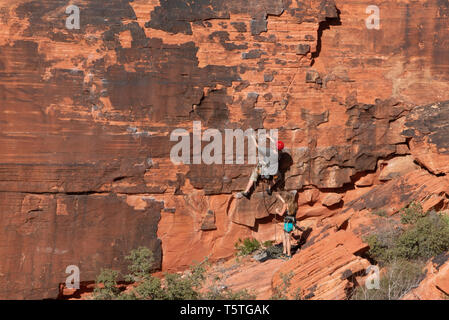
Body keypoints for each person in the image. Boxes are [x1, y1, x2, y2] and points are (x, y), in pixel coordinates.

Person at [237, 132, 285, 199]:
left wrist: (253, 138)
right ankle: (269, 188)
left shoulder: (268, 151)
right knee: (278, 176)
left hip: (263, 169)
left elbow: (257, 146)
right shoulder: (279, 154)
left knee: (254, 175)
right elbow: (276, 145)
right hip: (272, 171)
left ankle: (246, 191)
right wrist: (269, 137)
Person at [275, 192, 299, 259]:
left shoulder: (286, 204)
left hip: (287, 224)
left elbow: (281, 214)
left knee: (287, 239)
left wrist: (277, 211)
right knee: (284, 237)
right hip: (292, 223)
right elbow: (286, 204)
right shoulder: (295, 204)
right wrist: (280, 197)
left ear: (287, 198)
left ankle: (289, 254)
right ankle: (284, 252)